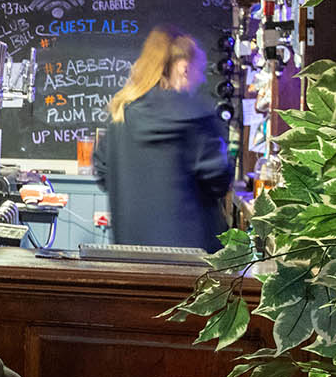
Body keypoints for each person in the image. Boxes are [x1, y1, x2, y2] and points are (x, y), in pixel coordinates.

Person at [95, 26, 235, 250]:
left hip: (131, 257)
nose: (200, 80)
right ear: (184, 67)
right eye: (200, 70)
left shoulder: (121, 114)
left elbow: (102, 173)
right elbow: (218, 179)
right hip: (193, 259)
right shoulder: (196, 115)